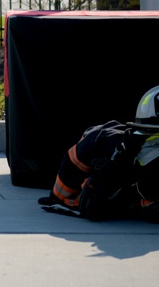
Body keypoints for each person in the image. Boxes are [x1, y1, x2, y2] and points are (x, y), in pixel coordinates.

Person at [39, 84, 159, 222]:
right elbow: (74, 165)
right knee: (64, 194)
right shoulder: (102, 141)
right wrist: (59, 197)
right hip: (95, 159)